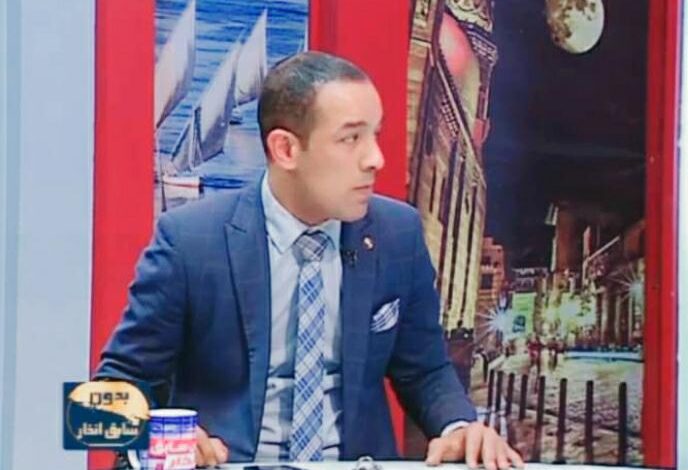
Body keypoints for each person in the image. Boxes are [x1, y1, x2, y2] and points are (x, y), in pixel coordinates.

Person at [96, 51, 523, 469]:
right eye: (351, 138)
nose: (376, 158)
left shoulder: (397, 234)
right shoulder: (191, 241)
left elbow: (425, 370)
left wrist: (458, 426)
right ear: (285, 149)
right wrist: (157, 435)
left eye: (375, 134)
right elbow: (96, 406)